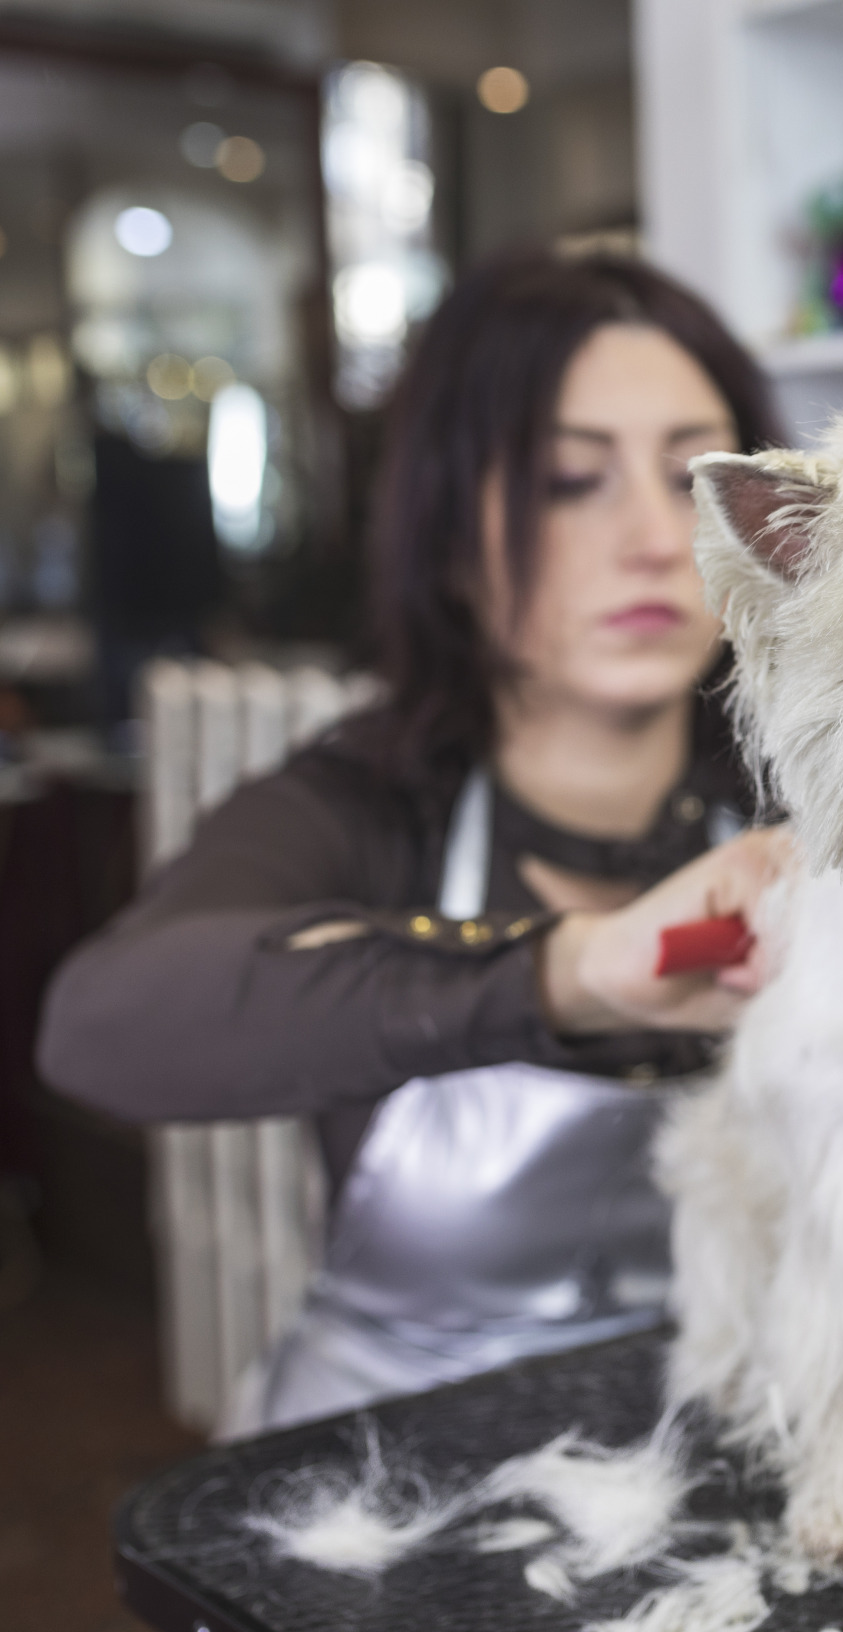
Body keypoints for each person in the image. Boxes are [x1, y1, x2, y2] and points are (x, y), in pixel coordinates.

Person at [38, 250, 796, 1431]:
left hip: (735, 1466)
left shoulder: (807, 800)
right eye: (565, 480)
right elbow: (105, 1023)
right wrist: (573, 968)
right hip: (390, 1478)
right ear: (447, 525)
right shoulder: (366, 802)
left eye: (697, 479)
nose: (658, 537)